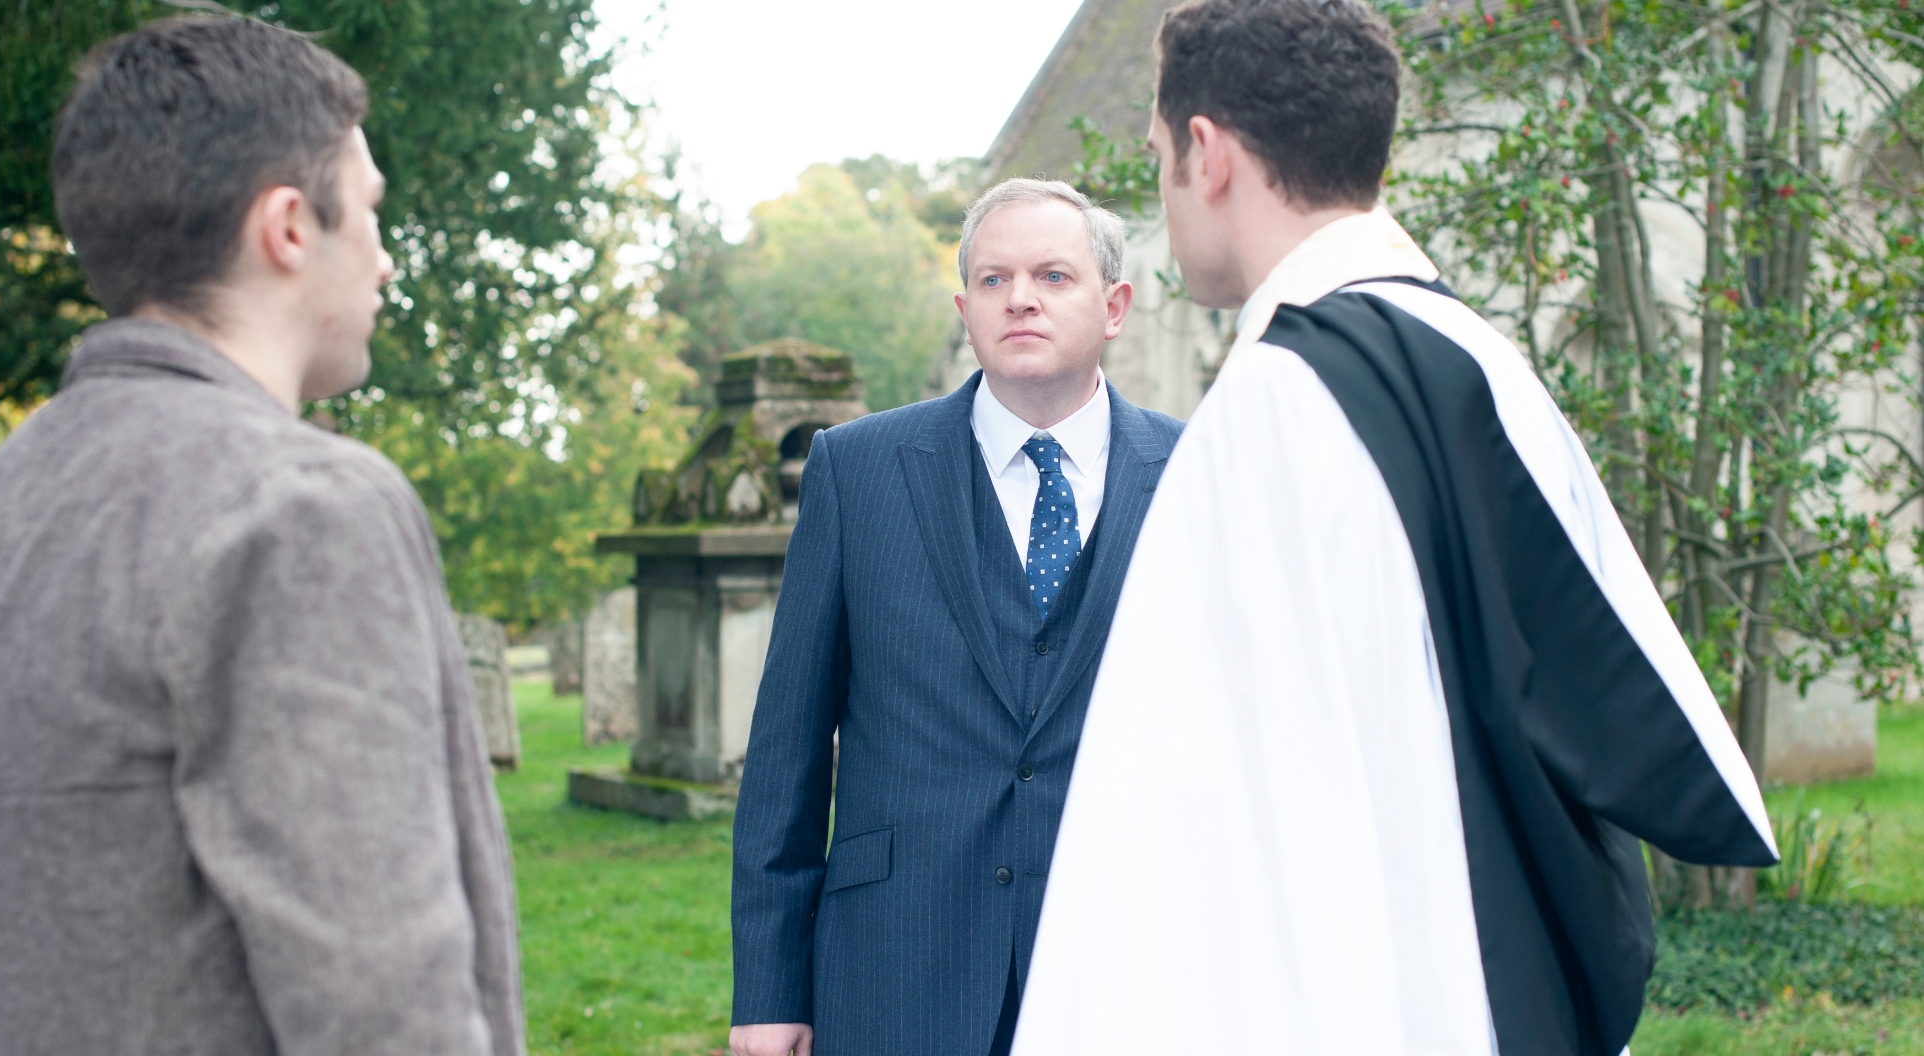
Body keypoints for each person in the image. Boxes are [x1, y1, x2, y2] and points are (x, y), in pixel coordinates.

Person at [1013, 3, 1778, 1055]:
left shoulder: (1268, 409)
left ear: (1208, 152)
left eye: (1157, 159)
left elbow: (1186, 845)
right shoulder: (1482, 362)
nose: (1163, 191)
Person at [0, 16, 522, 1055]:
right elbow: (380, 1001)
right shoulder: (300, 509)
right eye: (369, 212)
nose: (384, 260)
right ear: (287, 226)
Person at [727, 178, 1186, 1056]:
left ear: (1115, 305)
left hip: (1126, 968)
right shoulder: (855, 473)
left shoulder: (1196, 471)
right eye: (993, 279)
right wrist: (768, 990)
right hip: (897, 966)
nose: (1020, 298)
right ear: (964, 309)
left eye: (1054, 276)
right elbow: (787, 747)